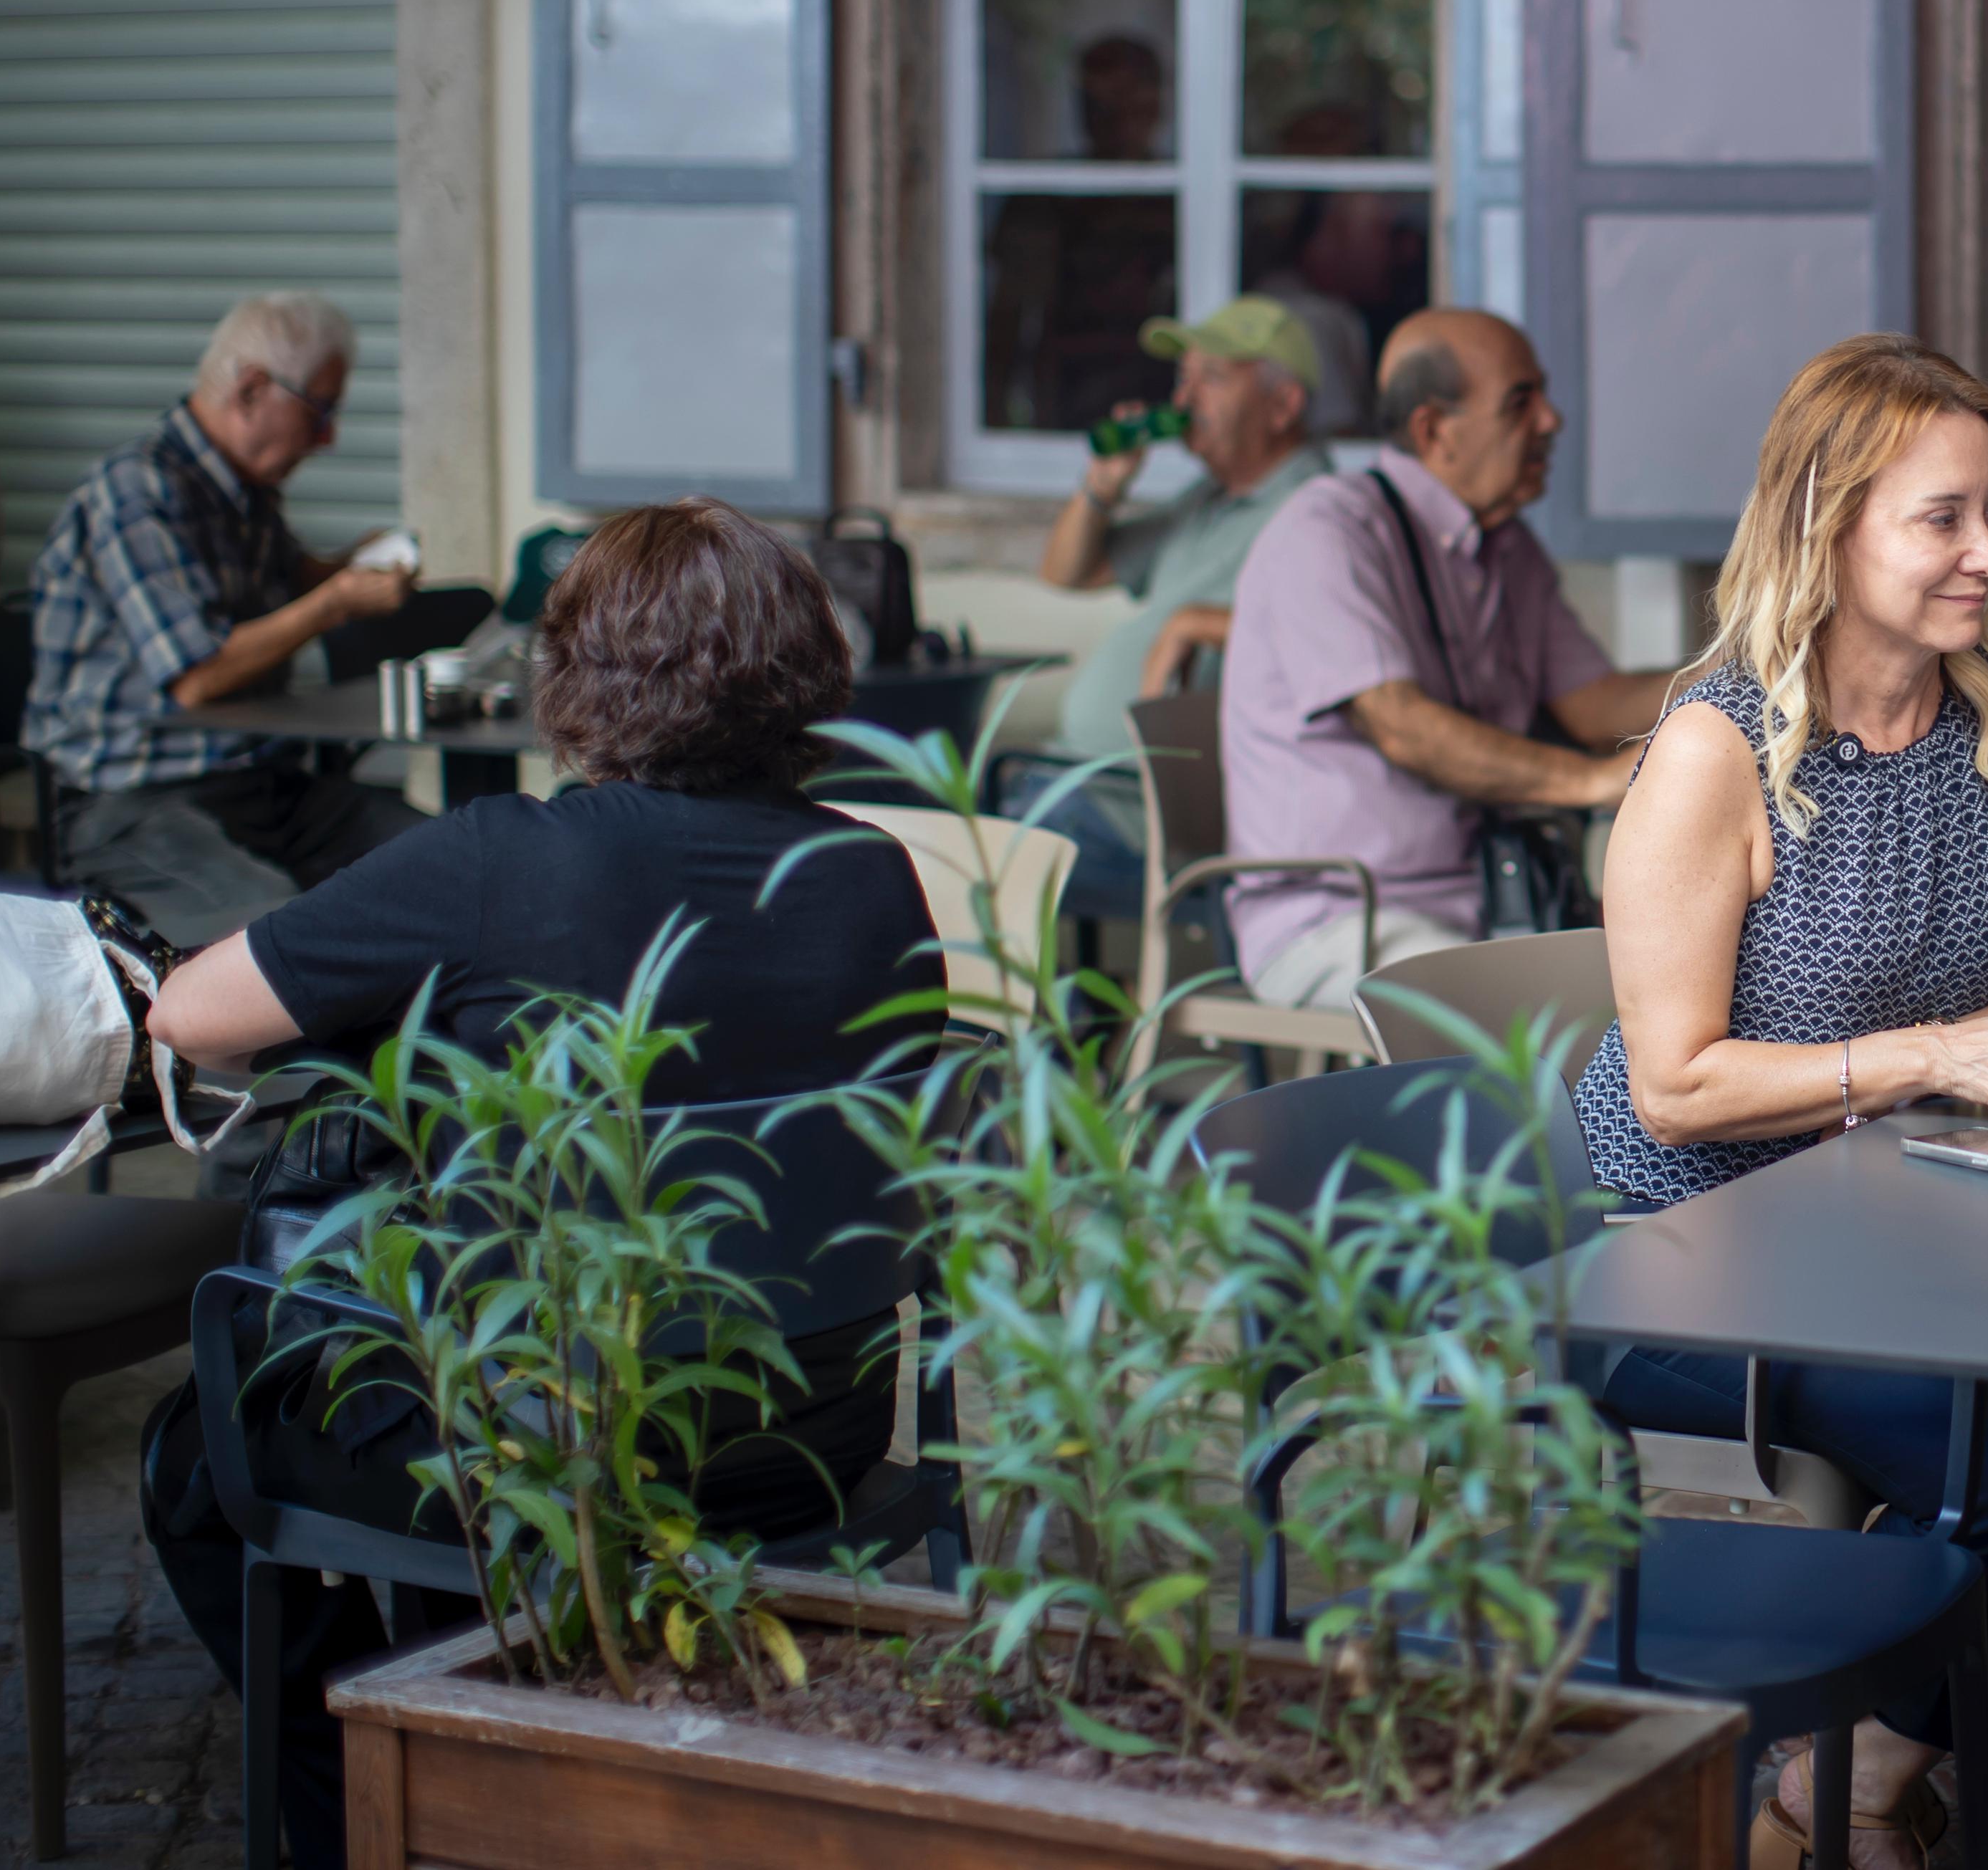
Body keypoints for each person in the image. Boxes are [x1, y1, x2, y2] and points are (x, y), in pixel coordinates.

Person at [136, 497, 947, 1870]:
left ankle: (373, 1807)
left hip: (554, 1450)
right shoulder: (873, 870)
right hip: (814, 1424)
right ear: (807, 669)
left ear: (581, 672)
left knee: (190, 1449)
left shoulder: (511, 856)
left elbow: (191, 1016)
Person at [1575, 334, 1988, 1870]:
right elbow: (1675, 1092)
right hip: (1686, 1254)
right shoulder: (1712, 751)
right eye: (1943, 519)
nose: (1987, 555)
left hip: (1902, 1229)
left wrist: (1953, 1060)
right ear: (1826, 524)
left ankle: (1848, 1771)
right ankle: (1900, 1768)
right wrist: (1939, 1055)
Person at [1217, 309, 1673, 1010]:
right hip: (1338, 919)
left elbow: (1594, 702)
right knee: (1554, 1027)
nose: (1550, 422)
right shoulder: (1328, 529)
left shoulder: (1506, 546)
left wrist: (1752, 665)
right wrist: (1593, 784)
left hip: (1486, 902)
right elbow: (1401, 726)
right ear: (1434, 431)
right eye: (1521, 403)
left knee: (1689, 989)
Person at [22, 293, 423, 941]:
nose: (328, 437)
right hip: (134, 802)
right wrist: (334, 603)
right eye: (319, 411)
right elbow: (197, 674)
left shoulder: (245, 492)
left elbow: (290, 584)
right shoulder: (138, 492)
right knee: (279, 935)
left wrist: (355, 565)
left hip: (261, 785)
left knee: (445, 863)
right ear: (254, 389)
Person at [1013, 297, 1331, 919]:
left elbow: (1326, 641)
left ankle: (1046, 1020)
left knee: (979, 873)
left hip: (1147, 812)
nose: (1184, 401)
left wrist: (1196, 625)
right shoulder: (1205, 500)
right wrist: (1103, 488)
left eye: (1211, 378)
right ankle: (1056, 1017)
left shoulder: (1317, 509)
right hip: (1080, 779)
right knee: (937, 844)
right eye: (1182, 379)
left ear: (1283, 405)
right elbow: (1068, 573)